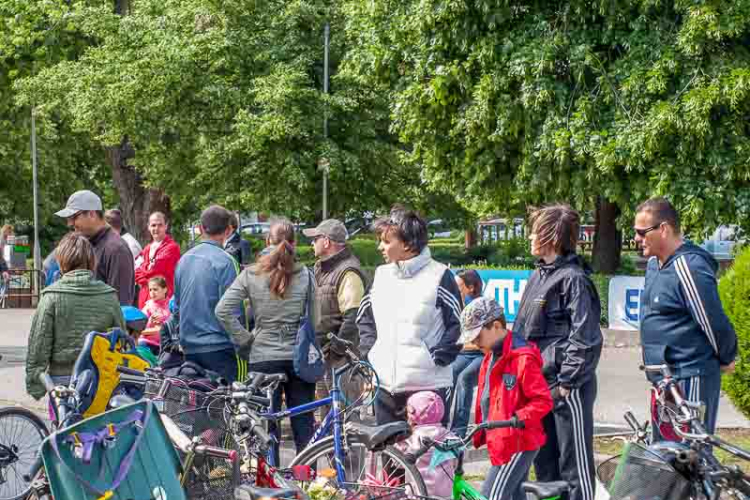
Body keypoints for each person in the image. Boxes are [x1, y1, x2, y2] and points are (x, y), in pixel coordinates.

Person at [510, 204, 602, 500]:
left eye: (534, 231)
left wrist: (566, 384)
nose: (529, 237)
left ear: (550, 236)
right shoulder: (538, 276)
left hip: (566, 389)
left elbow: (585, 338)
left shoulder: (573, 278)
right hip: (539, 388)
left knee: (574, 469)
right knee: (545, 468)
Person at [216, 219, 317, 463]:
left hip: (262, 357)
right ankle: (310, 481)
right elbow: (316, 319)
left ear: (266, 241)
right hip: (297, 357)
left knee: (264, 427)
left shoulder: (251, 273)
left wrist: (246, 339)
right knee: (303, 422)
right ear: (293, 243)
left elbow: (223, 310)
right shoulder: (305, 274)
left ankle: (269, 484)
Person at [635, 197, 737, 438]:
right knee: (666, 458)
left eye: (641, 232)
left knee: (690, 456)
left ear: (664, 229)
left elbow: (712, 321)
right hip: (664, 379)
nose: (637, 238)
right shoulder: (654, 264)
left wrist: (727, 356)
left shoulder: (689, 266)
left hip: (690, 375)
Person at [357, 206, 462, 426]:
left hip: (428, 384)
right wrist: (370, 352)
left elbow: (459, 324)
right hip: (384, 384)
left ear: (406, 243)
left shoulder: (440, 275)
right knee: (388, 455)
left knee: (426, 457)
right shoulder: (380, 275)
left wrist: (437, 357)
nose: (380, 247)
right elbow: (364, 317)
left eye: (386, 242)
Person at [464, 297, 553, 500]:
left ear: (495, 326)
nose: (474, 343)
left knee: (491, 496)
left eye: (477, 336)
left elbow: (543, 401)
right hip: (502, 439)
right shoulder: (491, 355)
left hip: (517, 442)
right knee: (514, 495)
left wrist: (517, 418)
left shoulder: (522, 358)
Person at [25, 233, 125, 399]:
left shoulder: (51, 296)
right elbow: (120, 342)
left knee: (64, 424)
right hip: (99, 379)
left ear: (61, 260)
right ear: (91, 260)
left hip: (61, 382)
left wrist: (35, 384)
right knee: (97, 424)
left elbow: (39, 343)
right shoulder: (109, 296)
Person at [302, 219, 368, 410]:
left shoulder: (348, 271)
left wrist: (334, 352)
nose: (311, 243)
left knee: (346, 422)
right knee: (328, 421)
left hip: (341, 362)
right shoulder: (321, 268)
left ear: (327, 241)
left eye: (315, 239)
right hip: (324, 357)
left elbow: (353, 319)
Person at [173, 205, 241, 382]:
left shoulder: (183, 260)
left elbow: (178, 305)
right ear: (228, 230)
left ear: (200, 228)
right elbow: (234, 310)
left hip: (189, 347)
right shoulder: (227, 261)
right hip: (220, 348)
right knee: (228, 404)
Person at [55, 190, 135, 305]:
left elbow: (120, 304)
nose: (70, 224)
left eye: (73, 217)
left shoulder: (116, 249)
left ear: (91, 214)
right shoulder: (86, 243)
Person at [396, 391, 458, 498]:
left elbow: (399, 463)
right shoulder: (448, 435)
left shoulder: (411, 438)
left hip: (417, 492)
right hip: (444, 494)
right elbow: (458, 456)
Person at [448, 269, 485, 437]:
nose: (456, 290)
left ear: (470, 288)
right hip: (464, 353)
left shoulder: (482, 306)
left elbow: (482, 342)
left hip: (482, 354)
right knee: (449, 374)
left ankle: (459, 431)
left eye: (459, 286)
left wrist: (461, 344)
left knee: (465, 377)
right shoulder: (455, 305)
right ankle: (440, 422)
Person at [134, 212, 181, 309]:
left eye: (160, 225)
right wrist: (142, 274)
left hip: (163, 303)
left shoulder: (171, 248)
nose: (156, 229)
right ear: (148, 227)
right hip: (145, 300)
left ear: (166, 226)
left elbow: (154, 273)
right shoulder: (147, 248)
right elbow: (135, 270)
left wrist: (142, 275)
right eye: (153, 225)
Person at [140, 275, 171, 352]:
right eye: (150, 290)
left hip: (166, 344)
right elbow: (139, 328)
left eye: (155, 289)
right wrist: (150, 321)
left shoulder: (171, 305)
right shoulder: (148, 306)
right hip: (147, 343)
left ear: (165, 290)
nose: (152, 293)